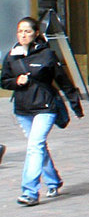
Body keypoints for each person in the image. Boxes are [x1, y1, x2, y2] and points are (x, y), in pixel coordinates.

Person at [3, 16, 81, 206]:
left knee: (34, 146)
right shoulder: (11, 55)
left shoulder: (46, 54)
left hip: (45, 107)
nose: (23, 35)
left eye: (27, 31)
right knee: (37, 147)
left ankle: (29, 192)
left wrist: (74, 103)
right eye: (20, 31)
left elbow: (62, 79)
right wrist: (16, 82)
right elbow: (4, 80)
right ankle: (53, 181)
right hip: (22, 109)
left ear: (36, 33)